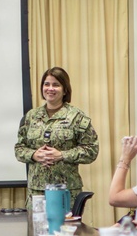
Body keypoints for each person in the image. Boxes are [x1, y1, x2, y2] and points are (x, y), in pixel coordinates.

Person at [14, 66, 99, 205]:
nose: (50, 88)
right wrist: (34, 155)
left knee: (65, 227)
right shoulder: (31, 116)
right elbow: (19, 149)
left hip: (66, 192)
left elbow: (91, 150)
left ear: (65, 89)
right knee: (36, 227)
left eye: (56, 85)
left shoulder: (76, 117)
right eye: (46, 84)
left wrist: (62, 155)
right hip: (37, 192)